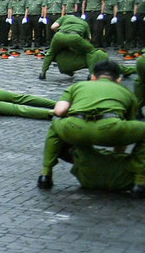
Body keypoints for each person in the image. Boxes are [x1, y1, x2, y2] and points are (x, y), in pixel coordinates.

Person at [38, 59, 145, 196]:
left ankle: (46, 175)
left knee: (55, 127)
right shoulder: (127, 93)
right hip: (110, 128)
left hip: (75, 127)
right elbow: (127, 131)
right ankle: (140, 182)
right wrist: (117, 156)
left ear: (93, 77)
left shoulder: (78, 86)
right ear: (118, 79)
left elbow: (59, 111)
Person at [39, 14, 108, 80]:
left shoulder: (65, 17)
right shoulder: (84, 23)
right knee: (90, 51)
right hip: (74, 36)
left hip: (59, 35)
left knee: (51, 52)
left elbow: (53, 27)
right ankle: (92, 74)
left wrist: (61, 32)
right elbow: (89, 38)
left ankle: (43, 73)